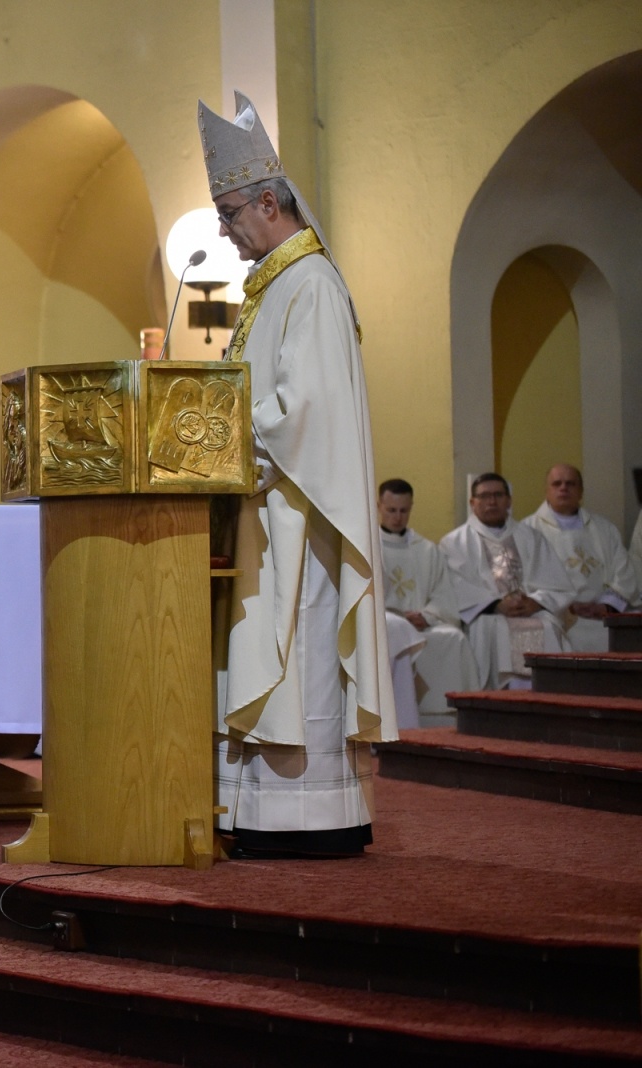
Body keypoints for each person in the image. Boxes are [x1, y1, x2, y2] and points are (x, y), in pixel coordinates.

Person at [199, 92, 396, 858]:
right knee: (264, 653)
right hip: (260, 509)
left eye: (230, 211)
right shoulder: (271, 287)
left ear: (270, 201)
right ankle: (253, 810)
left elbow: (304, 410)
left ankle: (308, 814)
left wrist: (221, 449)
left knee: (300, 655)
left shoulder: (308, 282)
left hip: (297, 513)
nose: (224, 228)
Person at [440, 473, 574, 688]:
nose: (491, 502)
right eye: (484, 496)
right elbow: (454, 585)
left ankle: (547, 697)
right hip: (488, 615)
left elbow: (556, 583)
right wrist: (495, 604)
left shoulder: (531, 537)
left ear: (509, 500)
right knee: (497, 630)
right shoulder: (455, 542)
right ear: (472, 503)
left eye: (498, 495)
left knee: (548, 626)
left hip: (531, 610)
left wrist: (535, 601)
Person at [376, 478, 483, 723]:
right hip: (387, 626)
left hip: (424, 623)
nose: (398, 517)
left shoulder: (426, 549)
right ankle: (404, 718)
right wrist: (400, 618)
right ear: (379, 506)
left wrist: (425, 615)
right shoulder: (368, 547)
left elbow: (443, 595)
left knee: (454, 639)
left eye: (404, 510)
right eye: (391, 510)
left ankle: (450, 715)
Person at [523, 463, 640, 652]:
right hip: (558, 616)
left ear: (581, 491)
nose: (563, 488)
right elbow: (524, 583)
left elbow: (624, 575)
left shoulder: (604, 529)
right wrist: (564, 607)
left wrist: (605, 605)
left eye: (570, 484)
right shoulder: (527, 531)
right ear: (546, 491)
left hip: (603, 614)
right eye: (557, 484)